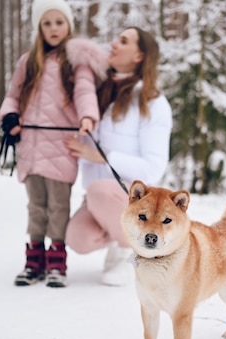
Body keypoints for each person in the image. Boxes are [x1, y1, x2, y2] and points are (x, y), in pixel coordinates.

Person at [0, 0, 108, 288]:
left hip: (62, 146)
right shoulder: (27, 62)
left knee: (58, 206)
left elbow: (85, 93)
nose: (53, 28)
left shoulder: (76, 62)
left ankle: (57, 260)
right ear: (39, 27)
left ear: (68, 24)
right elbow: (13, 95)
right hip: (31, 146)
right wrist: (10, 116)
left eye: (59, 22)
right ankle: (34, 259)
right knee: (36, 205)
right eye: (47, 23)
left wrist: (87, 116)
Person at [64, 27, 173, 286]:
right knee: (77, 237)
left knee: (101, 190)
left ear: (139, 56)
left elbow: (152, 168)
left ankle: (134, 254)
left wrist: (102, 157)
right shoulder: (97, 93)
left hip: (132, 199)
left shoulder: (153, 103)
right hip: (98, 197)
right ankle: (119, 236)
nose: (113, 44)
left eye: (123, 41)